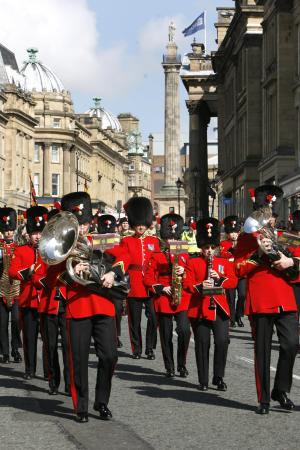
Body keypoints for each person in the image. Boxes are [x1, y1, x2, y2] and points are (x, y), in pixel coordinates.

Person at [58, 192, 127, 423]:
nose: (84, 229)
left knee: (109, 356)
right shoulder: (62, 246)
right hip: (77, 307)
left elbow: (123, 258)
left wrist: (112, 272)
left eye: (86, 223)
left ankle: (101, 401)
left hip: (104, 305)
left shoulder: (102, 240)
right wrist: (71, 272)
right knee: (78, 360)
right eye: (79, 225)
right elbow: (49, 278)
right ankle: (81, 406)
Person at [235, 185, 299, 414]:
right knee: (262, 351)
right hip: (261, 298)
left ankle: (280, 389)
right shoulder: (246, 238)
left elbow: (298, 265)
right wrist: (258, 255)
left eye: (272, 214)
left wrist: (291, 263)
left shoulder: (286, 237)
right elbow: (238, 269)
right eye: (266, 213)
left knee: (291, 344)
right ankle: (263, 399)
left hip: (285, 296)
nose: (270, 218)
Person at [183, 218, 237, 391]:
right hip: (199, 309)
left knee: (222, 341)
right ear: (201, 247)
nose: (209, 251)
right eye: (206, 248)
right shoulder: (193, 262)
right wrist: (200, 286)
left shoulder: (223, 262)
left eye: (212, 248)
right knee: (202, 343)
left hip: (219, 308)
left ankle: (218, 377)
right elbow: (187, 284)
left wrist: (219, 279)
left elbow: (233, 281)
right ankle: (203, 379)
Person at [144, 213, 191, 377]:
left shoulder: (184, 253)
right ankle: (169, 366)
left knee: (184, 330)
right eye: (169, 238)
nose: (171, 241)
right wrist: (162, 288)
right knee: (165, 334)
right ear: (164, 237)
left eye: (174, 237)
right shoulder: (156, 255)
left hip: (181, 295)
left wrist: (184, 271)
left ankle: (182, 363)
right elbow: (148, 278)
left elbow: (192, 274)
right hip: (164, 295)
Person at [33, 206, 70, 396]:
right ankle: (53, 380)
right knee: (50, 345)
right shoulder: (44, 251)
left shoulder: (70, 249)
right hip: (49, 304)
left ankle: (70, 383)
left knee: (69, 346)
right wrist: (49, 280)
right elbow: (36, 276)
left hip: (67, 303)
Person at [9, 206, 48, 379]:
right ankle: (30, 369)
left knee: (48, 339)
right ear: (29, 235)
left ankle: (49, 371)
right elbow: (12, 271)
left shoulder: (50, 251)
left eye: (40, 233)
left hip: (46, 300)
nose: (38, 236)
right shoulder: (21, 250)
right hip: (28, 300)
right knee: (29, 337)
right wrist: (28, 272)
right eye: (34, 233)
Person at [119, 197, 160, 359]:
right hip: (134, 284)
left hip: (150, 284)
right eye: (138, 223)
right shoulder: (126, 241)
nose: (141, 226)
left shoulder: (153, 242)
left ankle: (150, 347)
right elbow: (122, 262)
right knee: (134, 320)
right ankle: (137, 348)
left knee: (153, 317)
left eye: (143, 223)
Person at [0, 207, 22, 363]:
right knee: (1, 323)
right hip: (0, 287)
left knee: (16, 320)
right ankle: (5, 352)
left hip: (16, 288)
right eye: (6, 230)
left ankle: (15, 348)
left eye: (11, 230)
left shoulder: (19, 246)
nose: (9, 232)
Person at [220, 215, 246, 327]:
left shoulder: (244, 242)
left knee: (242, 295)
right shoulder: (223, 244)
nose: (234, 235)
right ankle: (231, 317)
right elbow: (222, 255)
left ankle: (239, 315)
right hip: (230, 274)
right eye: (231, 232)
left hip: (241, 273)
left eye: (236, 232)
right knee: (230, 298)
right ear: (228, 233)